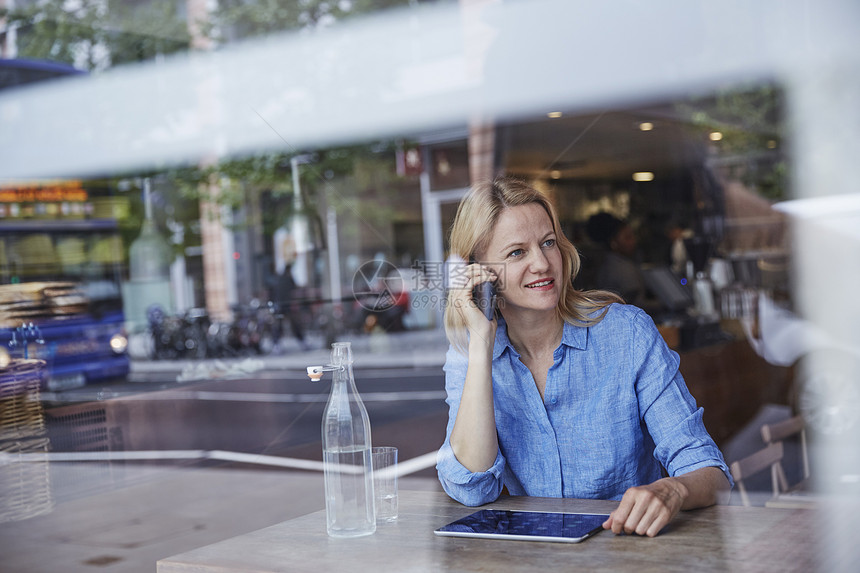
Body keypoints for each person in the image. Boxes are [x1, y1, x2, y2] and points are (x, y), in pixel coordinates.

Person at [436, 176, 732, 537]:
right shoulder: (469, 352)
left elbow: (711, 472)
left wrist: (674, 489)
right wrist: (482, 343)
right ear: (477, 274)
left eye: (548, 244)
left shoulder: (627, 334)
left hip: (627, 551)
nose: (542, 264)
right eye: (516, 252)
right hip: (533, 560)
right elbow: (470, 488)